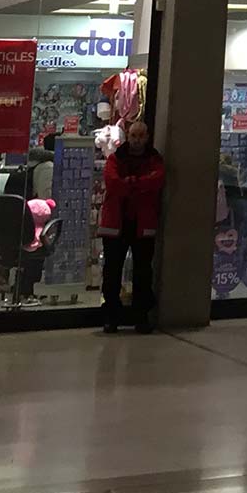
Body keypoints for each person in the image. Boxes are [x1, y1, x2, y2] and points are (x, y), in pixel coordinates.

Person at [98, 119, 166, 333]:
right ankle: (111, 315)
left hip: (142, 224)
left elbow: (157, 181)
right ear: (128, 136)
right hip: (115, 224)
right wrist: (140, 184)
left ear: (147, 137)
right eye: (134, 135)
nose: (137, 140)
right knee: (112, 272)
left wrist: (128, 183)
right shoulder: (115, 158)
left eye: (141, 136)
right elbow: (112, 183)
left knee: (143, 272)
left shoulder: (155, 159)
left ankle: (141, 316)